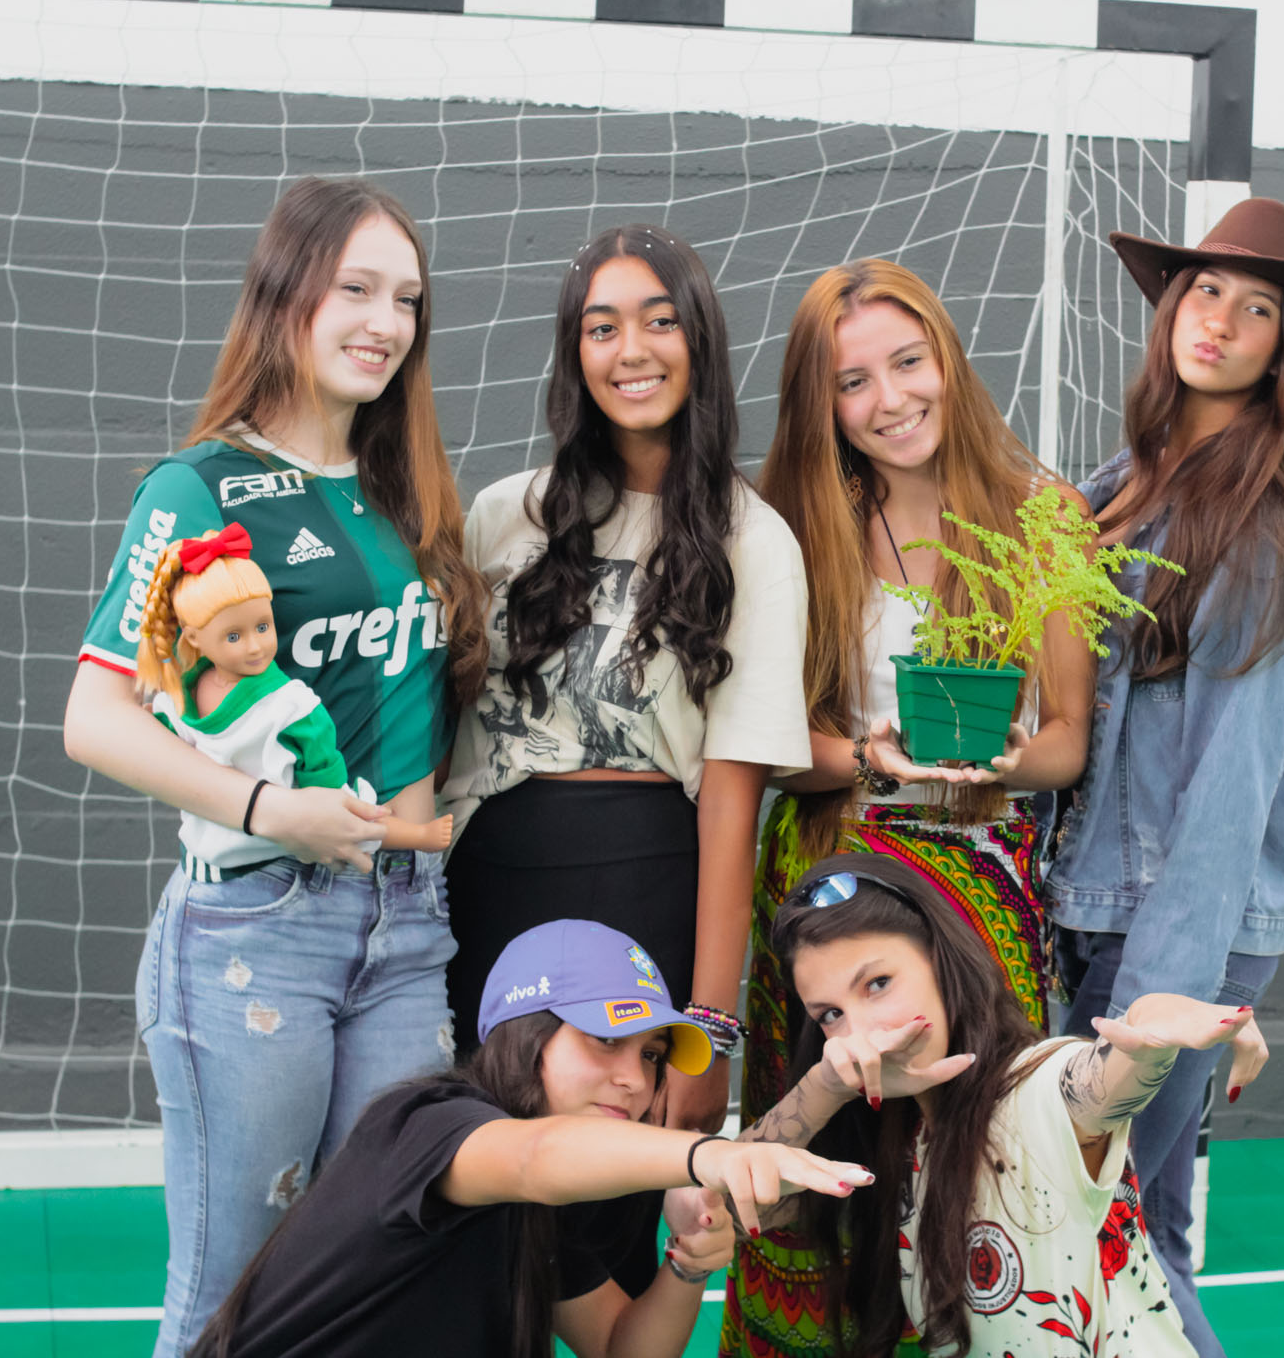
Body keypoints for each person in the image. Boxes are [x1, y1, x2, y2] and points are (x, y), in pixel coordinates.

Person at [65, 175, 488, 1356]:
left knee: (375, 1277)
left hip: (407, 928)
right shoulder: (198, 488)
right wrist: (272, 809)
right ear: (285, 293)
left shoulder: (408, 492)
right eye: (356, 289)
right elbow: (94, 717)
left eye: (406, 299)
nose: (386, 322)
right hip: (261, 925)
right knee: (231, 1295)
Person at [723, 258, 1095, 1356]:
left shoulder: (1045, 516)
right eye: (853, 382)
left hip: (977, 888)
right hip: (833, 884)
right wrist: (870, 762)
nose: (889, 399)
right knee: (825, 1175)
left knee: (971, 1172)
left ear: (947, 359)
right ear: (821, 402)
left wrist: (1008, 760)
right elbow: (766, 744)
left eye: (907, 362)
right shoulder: (793, 524)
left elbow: (1068, 741)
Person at [1044, 197, 1284, 1355]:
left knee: (1109, 1231)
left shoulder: (1255, 532)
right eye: (1205, 291)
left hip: (1166, 934)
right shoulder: (1118, 487)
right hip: (1098, 911)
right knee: (1135, 1230)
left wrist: (1154, 1009)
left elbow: (1228, 797)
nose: (1220, 321)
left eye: (1257, 310)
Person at [443, 223, 812, 1133]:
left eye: (659, 320)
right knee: (483, 1177)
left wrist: (710, 1025)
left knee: (612, 1190)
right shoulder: (501, 514)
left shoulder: (754, 540)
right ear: (575, 353)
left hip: (643, 894)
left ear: (699, 338)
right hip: (485, 891)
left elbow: (732, 799)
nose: (631, 350)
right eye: (602, 328)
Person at [186, 919, 874, 1358]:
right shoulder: (428, 1122)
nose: (634, 1079)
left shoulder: (545, 1210)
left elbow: (620, 1348)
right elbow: (536, 1157)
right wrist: (711, 1155)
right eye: (604, 1038)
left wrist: (689, 1265)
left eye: (651, 1055)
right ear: (525, 1034)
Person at [733, 854, 1264, 1357]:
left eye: (878, 984)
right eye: (830, 1015)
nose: (860, 1033)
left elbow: (1101, 1079)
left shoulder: (1033, 1085)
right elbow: (731, 1207)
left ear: (939, 960)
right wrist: (827, 1083)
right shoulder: (897, 1140)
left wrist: (1152, 1026)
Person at [133, 522, 454, 879]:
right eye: (234, 636)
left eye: (263, 627)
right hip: (247, 842)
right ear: (193, 638)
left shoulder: (283, 704)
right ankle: (416, 834)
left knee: (355, 813)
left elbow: (325, 776)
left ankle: (418, 835)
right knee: (357, 814)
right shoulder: (191, 696)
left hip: (264, 843)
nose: (255, 646)